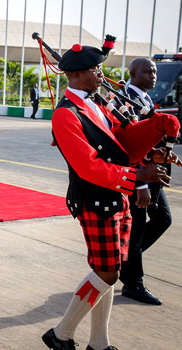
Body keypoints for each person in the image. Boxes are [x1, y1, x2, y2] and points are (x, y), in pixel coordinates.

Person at [43, 42, 171, 350]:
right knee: (107, 271)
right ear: (77, 75)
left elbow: (121, 142)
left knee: (108, 271)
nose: (102, 74)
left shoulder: (96, 104)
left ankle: (98, 343)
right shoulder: (66, 114)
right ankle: (60, 335)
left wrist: (154, 137)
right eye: (95, 69)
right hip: (94, 200)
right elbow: (88, 166)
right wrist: (137, 176)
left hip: (116, 197)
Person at [119, 58, 176, 305]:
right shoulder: (123, 100)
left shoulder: (144, 97)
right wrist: (140, 183)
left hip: (153, 173)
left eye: (154, 71)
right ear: (133, 73)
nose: (153, 75)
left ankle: (128, 261)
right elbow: (127, 143)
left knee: (163, 219)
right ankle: (133, 283)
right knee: (138, 226)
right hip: (139, 176)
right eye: (147, 71)